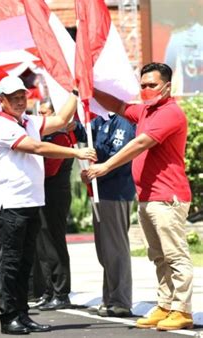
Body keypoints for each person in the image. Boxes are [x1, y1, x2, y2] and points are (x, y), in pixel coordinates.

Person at [88, 62, 194, 331]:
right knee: (158, 256)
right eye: (143, 85)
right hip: (148, 197)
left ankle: (181, 309)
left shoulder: (170, 113)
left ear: (167, 86)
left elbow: (139, 143)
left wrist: (105, 166)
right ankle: (165, 305)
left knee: (175, 256)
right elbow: (119, 106)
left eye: (152, 85)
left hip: (167, 197)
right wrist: (88, 89)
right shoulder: (147, 110)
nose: (146, 90)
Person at [0, 76, 97, 335]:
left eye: (21, 96)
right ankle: (9, 317)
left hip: (31, 202)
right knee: (12, 264)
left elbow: (61, 121)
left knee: (26, 263)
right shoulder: (2, 126)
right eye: (12, 97)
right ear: (0, 100)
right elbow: (36, 147)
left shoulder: (29, 121)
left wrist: (75, 91)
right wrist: (76, 152)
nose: (18, 101)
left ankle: (23, 315)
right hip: (10, 205)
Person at [31, 100, 84, 311]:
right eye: (40, 113)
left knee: (53, 242)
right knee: (42, 245)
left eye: (46, 112)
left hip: (54, 195)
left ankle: (61, 291)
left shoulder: (61, 137)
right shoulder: (44, 137)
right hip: (42, 194)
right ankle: (48, 289)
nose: (43, 116)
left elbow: (49, 169)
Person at [81, 113, 136, 317]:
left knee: (115, 248)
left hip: (116, 192)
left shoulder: (122, 121)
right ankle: (110, 298)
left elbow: (118, 156)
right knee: (104, 250)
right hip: (100, 191)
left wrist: (96, 170)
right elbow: (80, 130)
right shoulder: (99, 119)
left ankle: (121, 300)